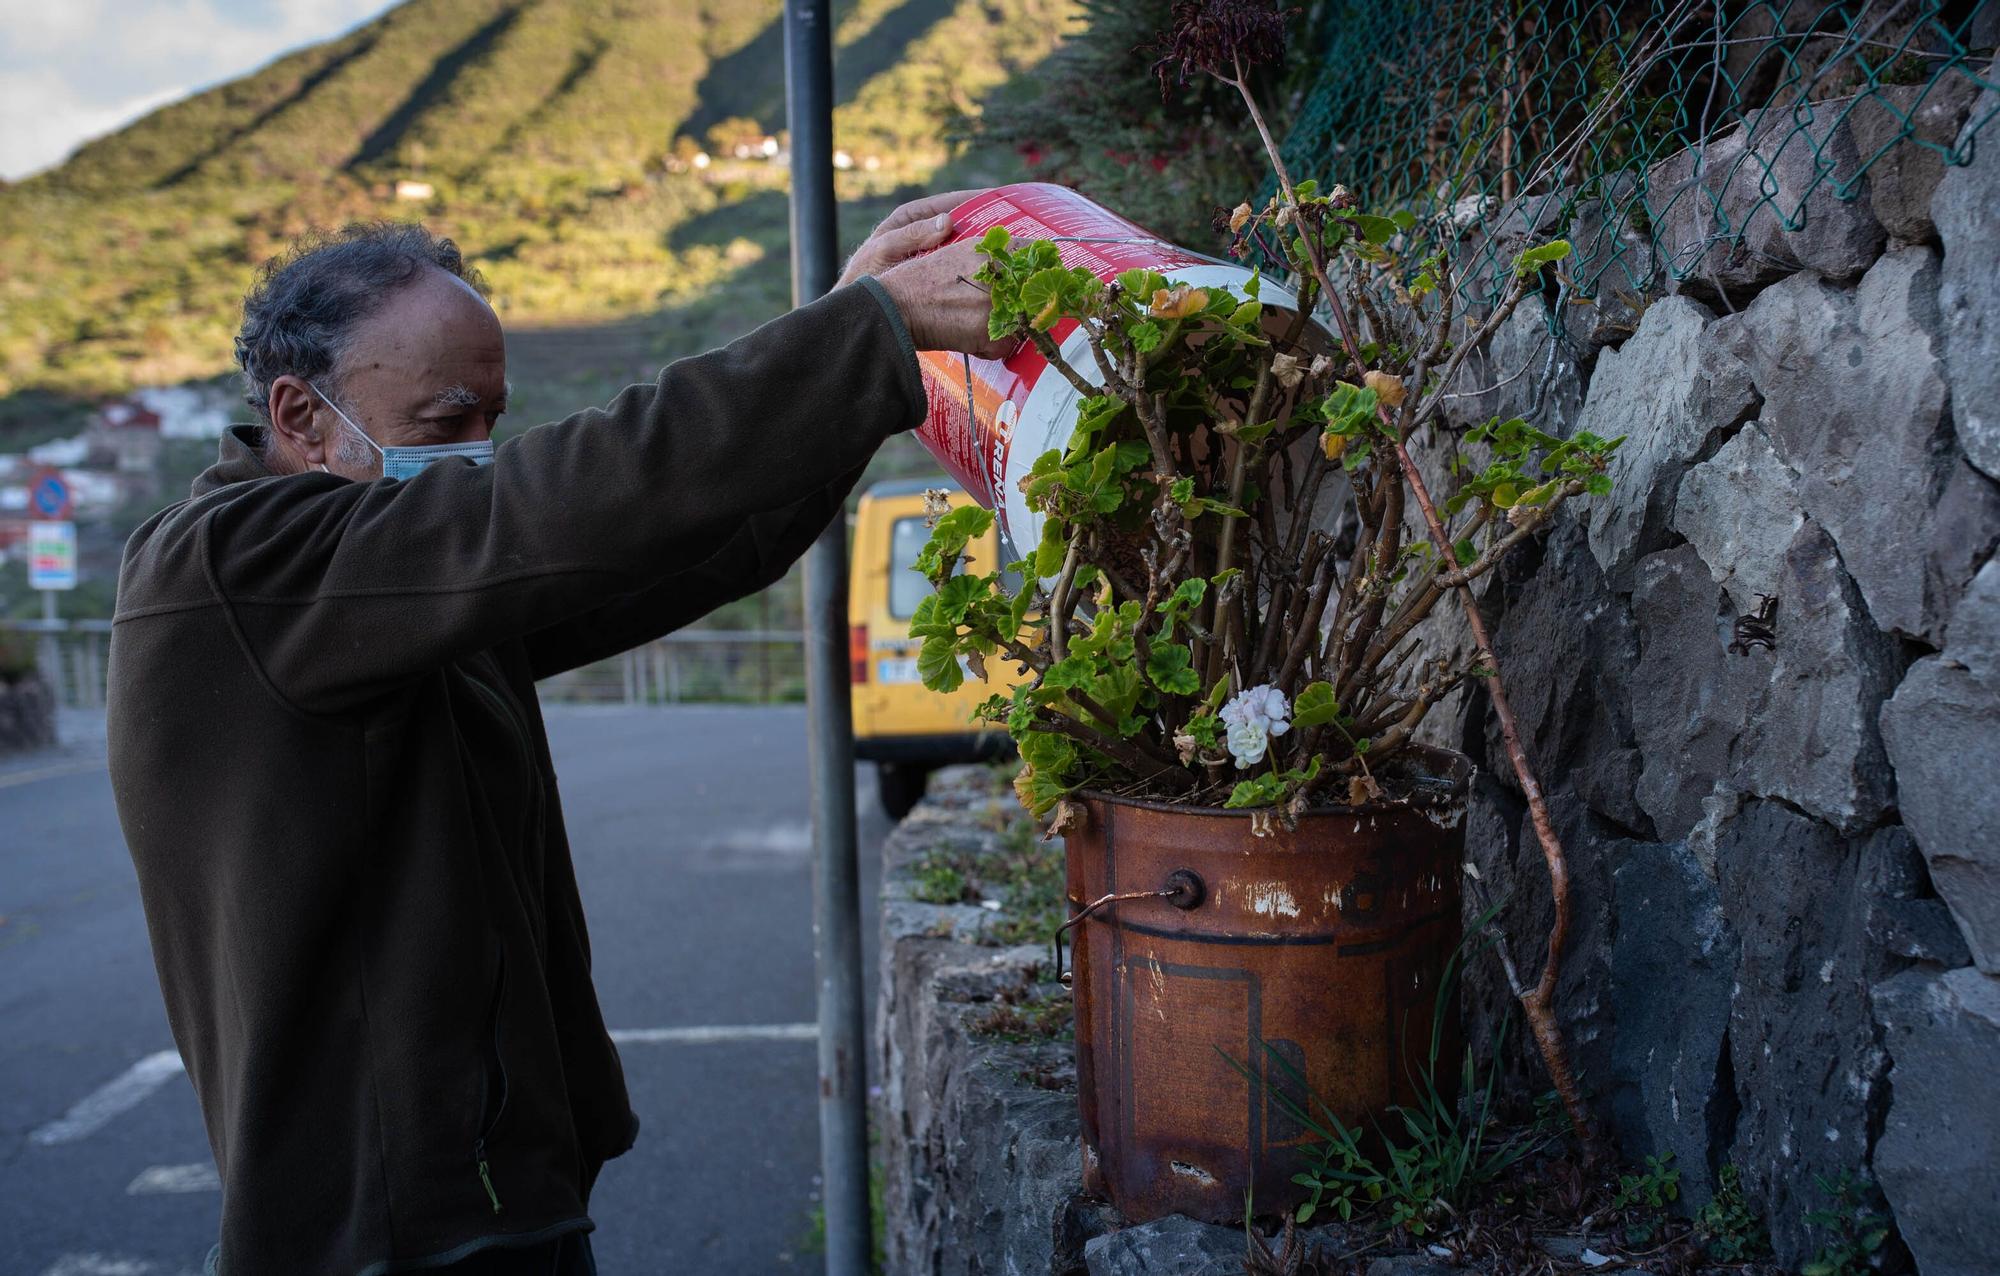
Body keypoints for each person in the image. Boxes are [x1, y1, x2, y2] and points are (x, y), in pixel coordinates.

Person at [105, 190, 1000, 1275]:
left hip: (498, 1191)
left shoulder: (404, 586)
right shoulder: (231, 568)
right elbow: (556, 497)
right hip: (391, 1230)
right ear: (299, 417)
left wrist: (847, 378)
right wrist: (855, 331)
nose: (480, 452)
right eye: (444, 424)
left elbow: (693, 541)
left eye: (492, 419)